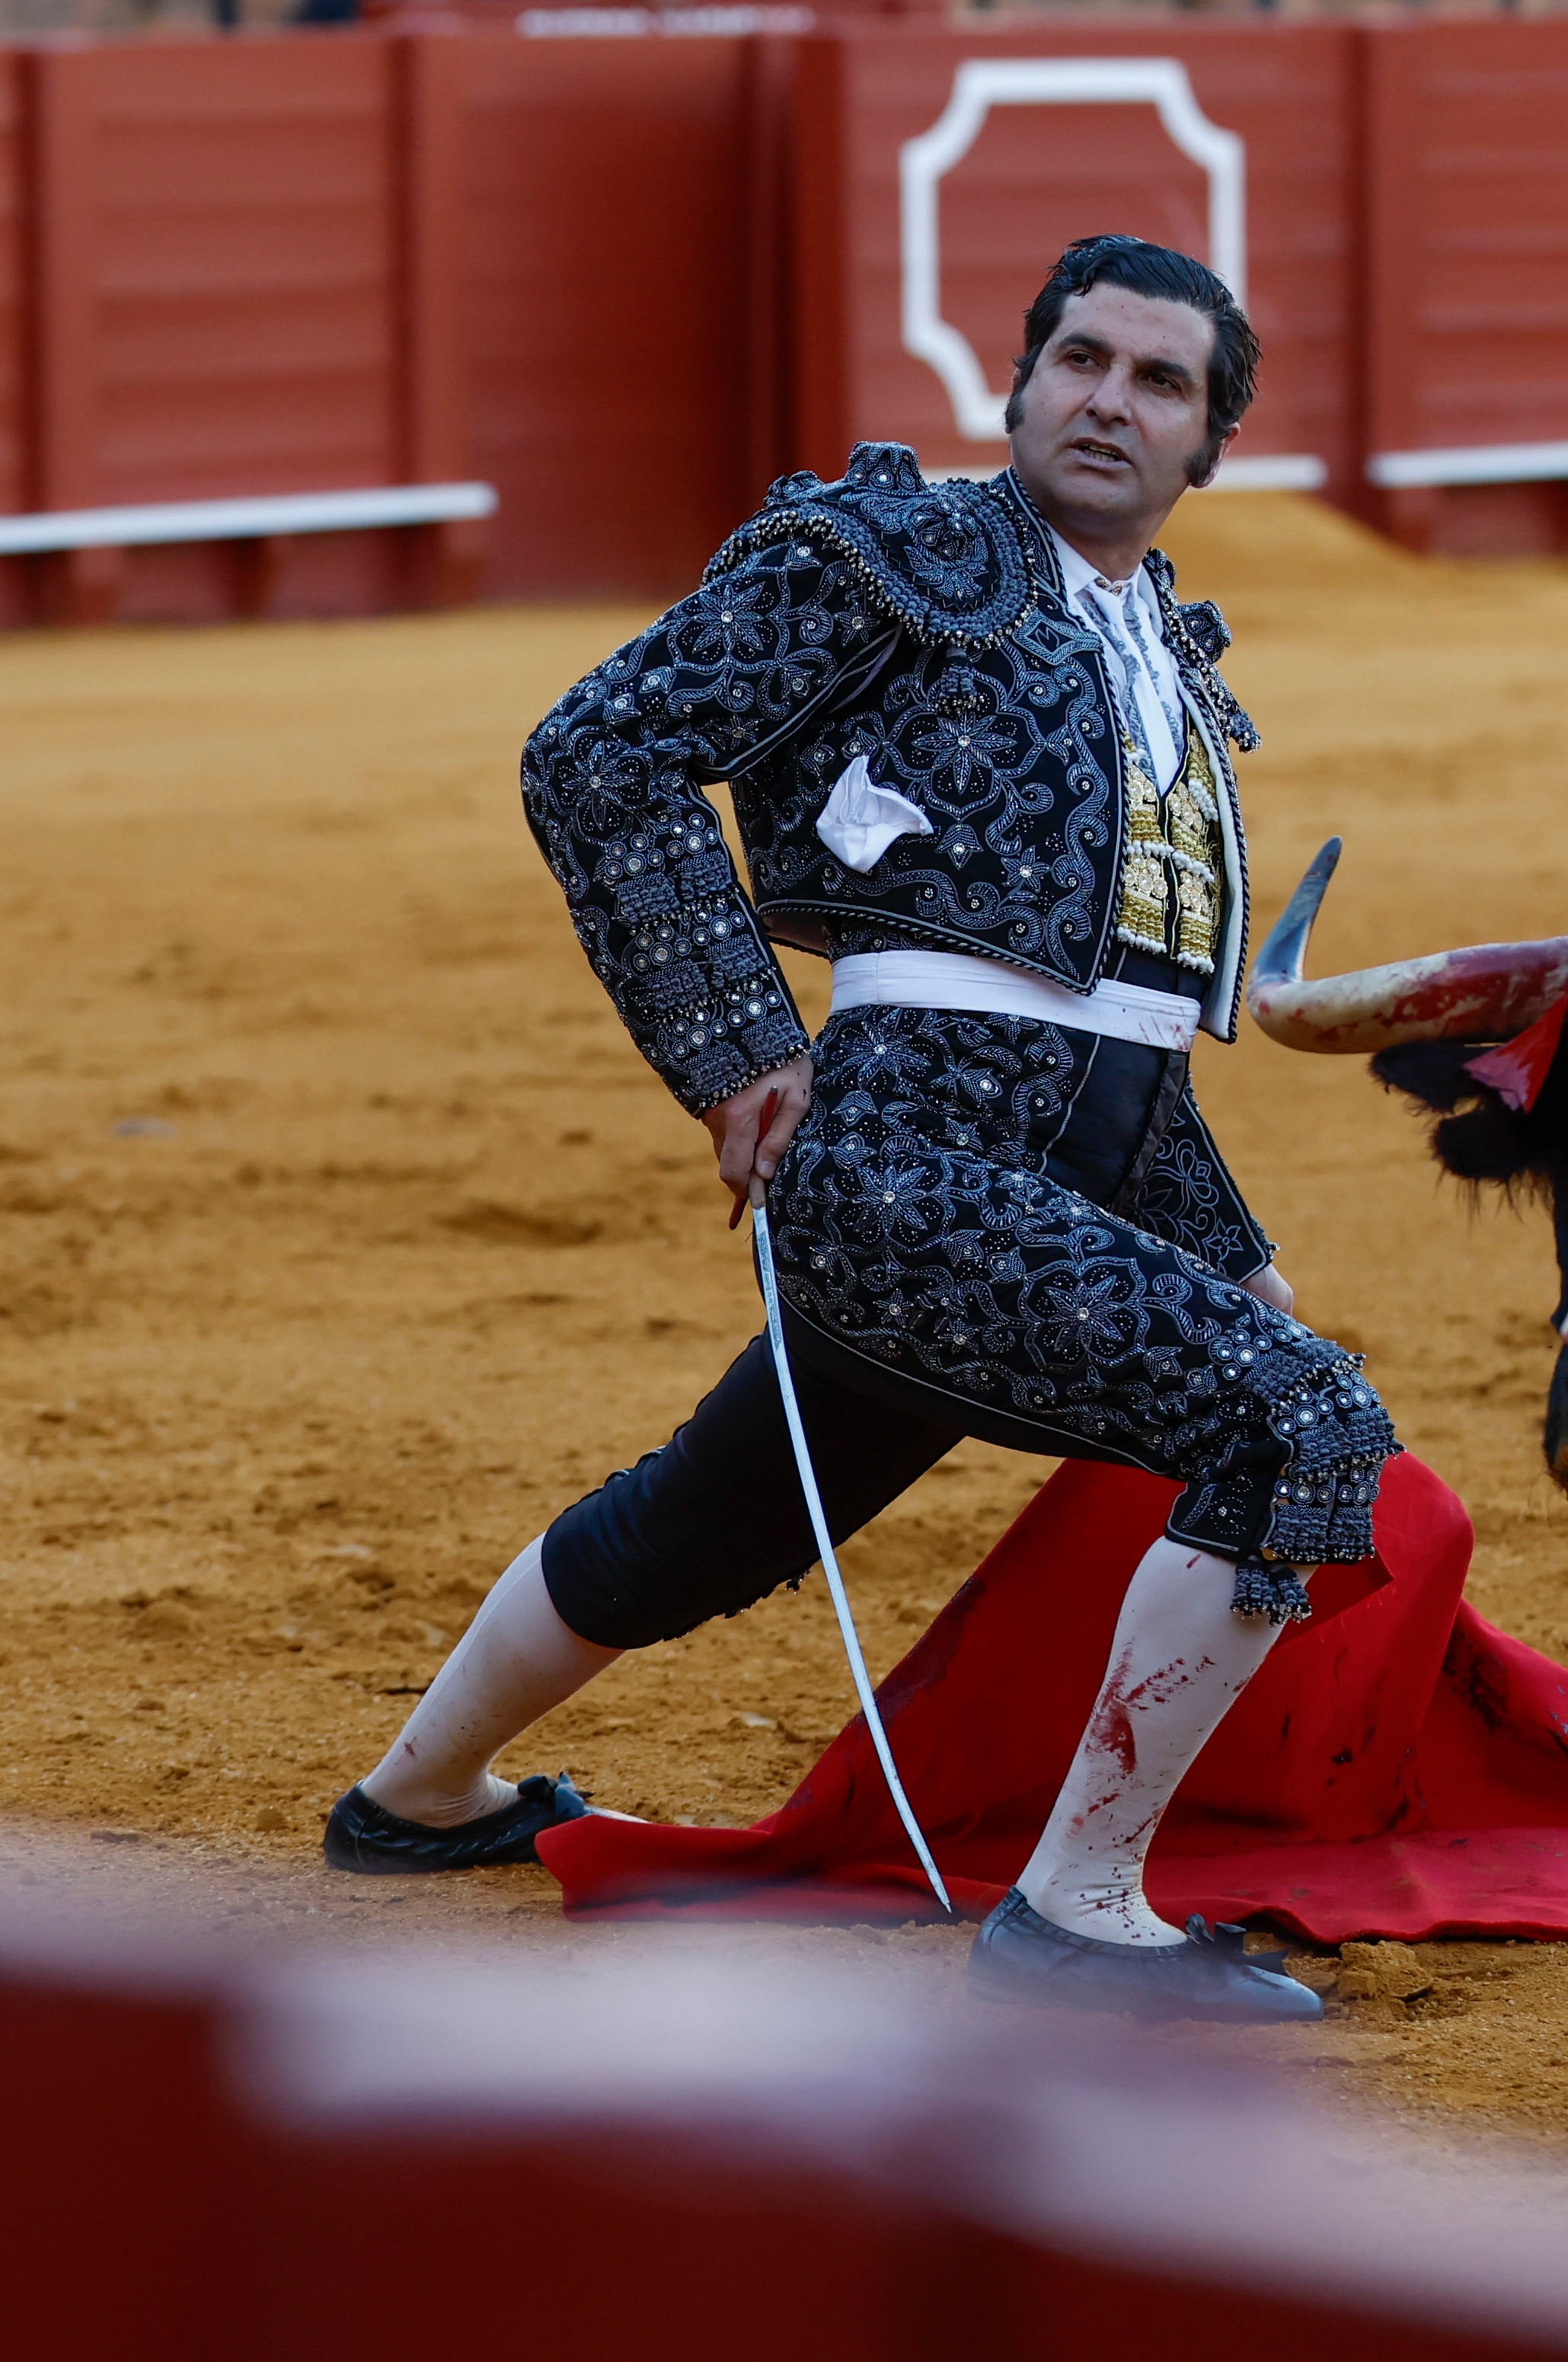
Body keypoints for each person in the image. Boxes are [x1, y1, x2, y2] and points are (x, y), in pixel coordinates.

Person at [321, 234, 1395, 2025]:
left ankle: (419, 1797)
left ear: (1208, 444)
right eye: (1080, 361)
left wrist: (1237, 1258)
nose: (1107, 402)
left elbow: (1128, 1038)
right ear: (1021, 379)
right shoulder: (901, 557)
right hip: (911, 1177)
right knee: (1301, 1427)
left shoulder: (1179, 671)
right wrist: (738, 1041)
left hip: (1044, 1190)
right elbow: (601, 752)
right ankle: (1076, 1912)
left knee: (712, 1520)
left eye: (1158, 383)